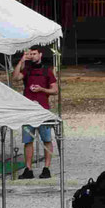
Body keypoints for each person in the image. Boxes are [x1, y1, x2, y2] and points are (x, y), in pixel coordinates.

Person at [18, 47, 59, 179]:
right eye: (30, 54)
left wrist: (41, 89)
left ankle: (46, 168)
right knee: (27, 140)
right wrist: (21, 61)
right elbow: (15, 78)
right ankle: (28, 169)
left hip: (43, 110)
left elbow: (55, 90)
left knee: (46, 139)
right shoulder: (27, 70)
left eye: (34, 54)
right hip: (28, 110)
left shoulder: (47, 70)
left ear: (40, 54)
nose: (32, 56)